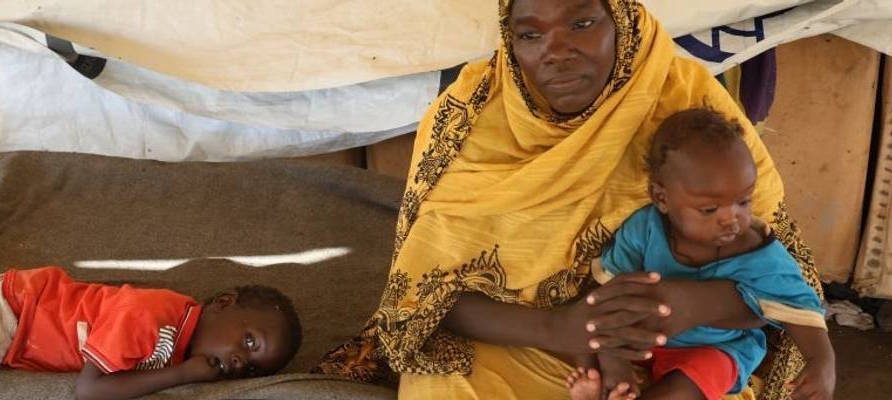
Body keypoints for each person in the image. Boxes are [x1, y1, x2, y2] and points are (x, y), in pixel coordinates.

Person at [314, 0, 825, 399]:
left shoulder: (687, 105)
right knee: (446, 384)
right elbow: (423, 302)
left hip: (683, 352)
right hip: (523, 343)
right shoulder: (471, 120)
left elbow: (788, 289)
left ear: (620, 18)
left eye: (582, 23)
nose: (556, 51)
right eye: (530, 34)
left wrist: (691, 303)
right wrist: (559, 327)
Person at [565, 108, 834, 400]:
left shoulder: (757, 252)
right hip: (646, 339)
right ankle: (607, 385)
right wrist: (614, 360)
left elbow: (801, 307)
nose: (731, 218)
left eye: (743, 201)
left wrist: (822, 361)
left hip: (714, 349)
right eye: (710, 209)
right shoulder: (644, 229)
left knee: (690, 383)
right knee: (588, 333)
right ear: (662, 198)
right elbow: (612, 295)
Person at [0, 247, 302, 400]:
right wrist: (183, 375)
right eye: (248, 340)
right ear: (223, 302)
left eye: (253, 367)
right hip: (21, 309)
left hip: (24, 321)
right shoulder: (153, 317)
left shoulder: (181, 336)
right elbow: (90, 390)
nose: (240, 362)